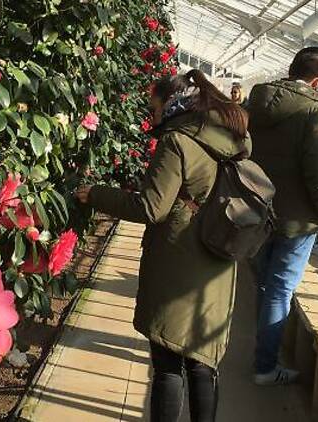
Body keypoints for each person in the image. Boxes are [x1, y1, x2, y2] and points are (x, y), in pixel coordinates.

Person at [75, 69, 250, 422]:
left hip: (178, 258)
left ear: (174, 105)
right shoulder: (232, 138)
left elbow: (152, 206)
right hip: (217, 254)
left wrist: (96, 194)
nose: (152, 116)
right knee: (203, 361)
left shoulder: (178, 142)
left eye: (155, 109)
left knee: (169, 362)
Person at [246, 46, 318, 386]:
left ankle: (262, 354)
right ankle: (264, 366)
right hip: (296, 220)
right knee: (280, 290)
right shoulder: (314, 113)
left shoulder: (255, 102)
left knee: (264, 284)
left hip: (255, 213)